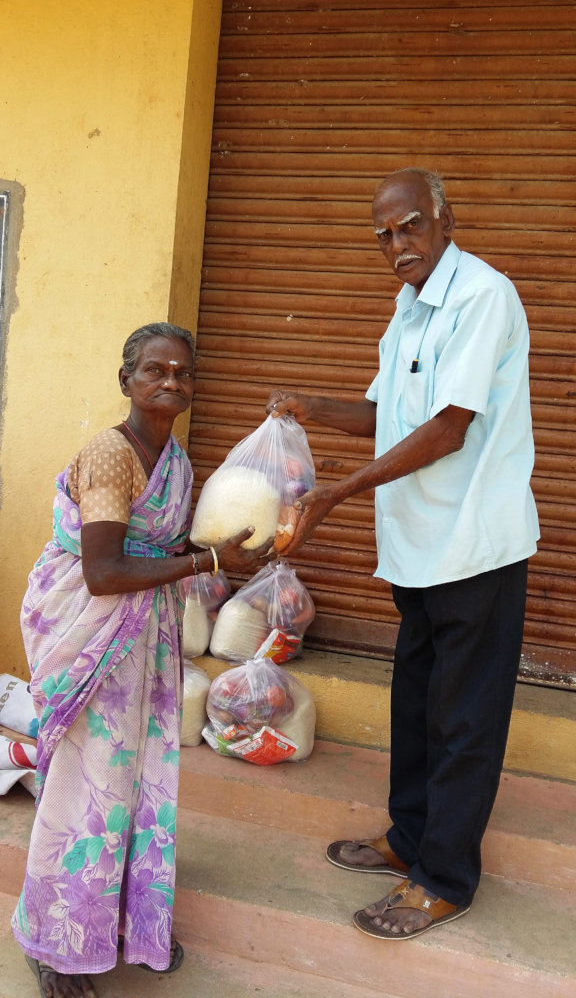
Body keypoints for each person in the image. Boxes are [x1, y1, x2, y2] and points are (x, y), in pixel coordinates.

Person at [267, 168, 539, 941]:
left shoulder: (483, 297)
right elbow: (388, 411)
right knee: (417, 704)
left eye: (410, 225)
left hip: (475, 547)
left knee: (464, 717)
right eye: (383, 234)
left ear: (446, 218)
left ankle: (445, 877)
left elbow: (449, 428)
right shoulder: (408, 308)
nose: (397, 245)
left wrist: (334, 495)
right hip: (417, 549)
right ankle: (411, 839)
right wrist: (310, 407)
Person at [13, 323, 271, 997]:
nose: (171, 383)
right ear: (126, 380)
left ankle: (127, 920)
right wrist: (211, 561)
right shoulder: (109, 454)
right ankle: (57, 942)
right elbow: (102, 571)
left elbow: (164, 543)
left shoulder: (175, 459)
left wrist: (243, 537)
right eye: (155, 371)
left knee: (133, 782)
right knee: (83, 785)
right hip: (89, 628)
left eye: (183, 373)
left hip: (141, 635)